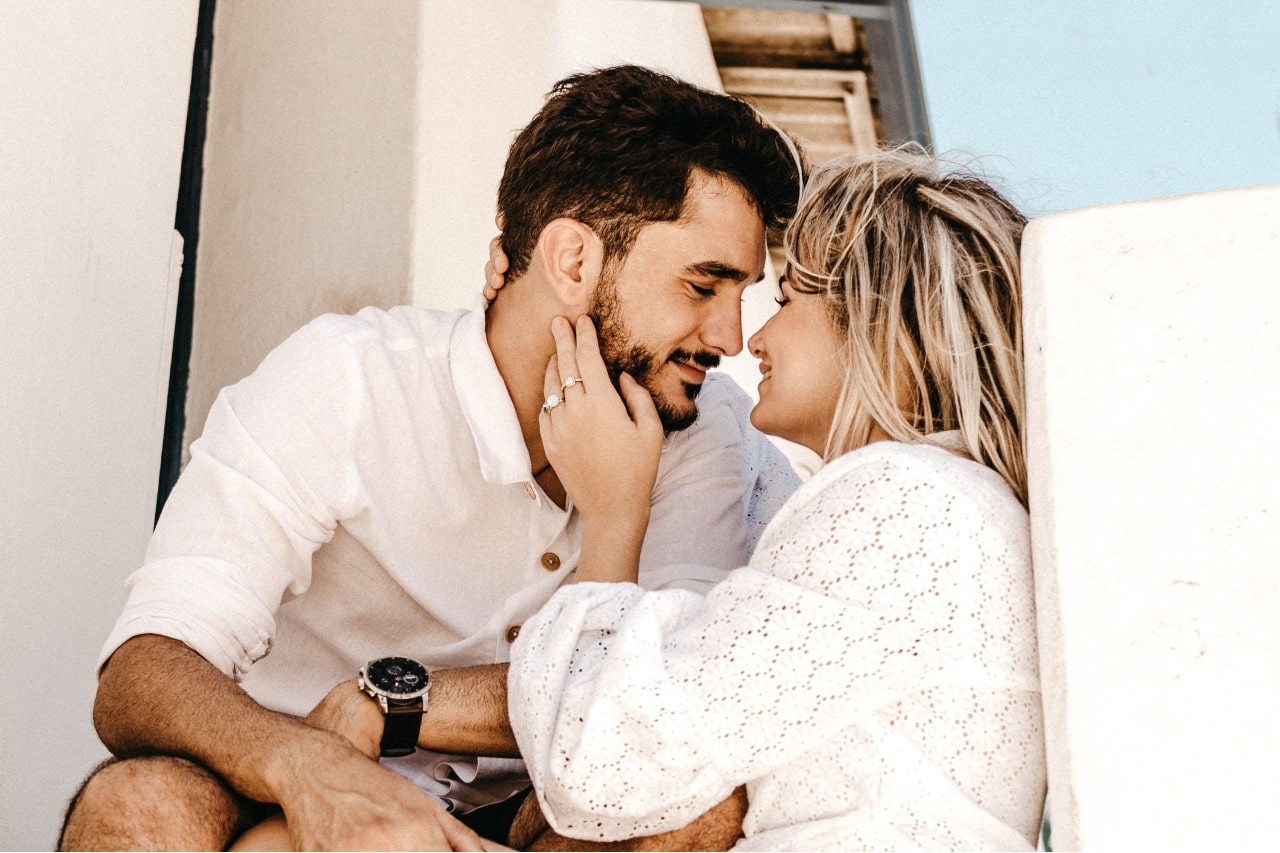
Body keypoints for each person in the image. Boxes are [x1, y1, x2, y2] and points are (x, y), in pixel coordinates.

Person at [58, 64, 801, 851]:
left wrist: (398, 702)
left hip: (531, 816)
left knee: (695, 806)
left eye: (744, 294)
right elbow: (147, 665)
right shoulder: (348, 379)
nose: (728, 337)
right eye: (704, 285)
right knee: (138, 804)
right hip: (285, 781)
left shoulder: (701, 423)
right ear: (574, 262)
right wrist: (307, 770)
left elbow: (660, 695)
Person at [500, 148, 1046, 850]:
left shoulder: (903, 500)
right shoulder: (958, 509)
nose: (752, 337)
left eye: (789, 299)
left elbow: (606, 759)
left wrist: (611, 513)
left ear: (885, 326)